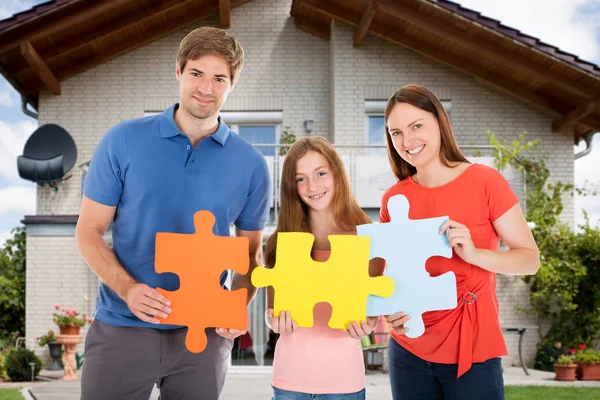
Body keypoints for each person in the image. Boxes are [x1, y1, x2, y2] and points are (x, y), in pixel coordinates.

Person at [75, 26, 271, 399]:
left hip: (203, 338)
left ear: (232, 85)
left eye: (219, 79)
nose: (206, 88)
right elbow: (88, 232)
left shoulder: (251, 165)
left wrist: (236, 307)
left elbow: (249, 256)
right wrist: (128, 289)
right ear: (178, 71)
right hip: (121, 328)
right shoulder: (123, 140)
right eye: (197, 73)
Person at [380, 84, 540, 399]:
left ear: (439, 122)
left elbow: (529, 258)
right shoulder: (394, 198)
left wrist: (477, 254)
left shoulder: (486, 182)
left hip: (472, 349)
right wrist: (391, 313)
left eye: (416, 126)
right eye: (396, 133)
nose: (407, 141)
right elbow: (390, 276)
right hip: (409, 349)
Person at [264, 136, 380, 400]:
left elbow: (373, 310)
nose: (312, 186)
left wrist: (370, 323)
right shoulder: (280, 241)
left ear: (336, 173)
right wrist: (275, 321)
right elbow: (271, 312)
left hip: (345, 383)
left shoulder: (367, 238)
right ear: (291, 186)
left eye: (320, 173)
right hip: (289, 381)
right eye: (300, 178)